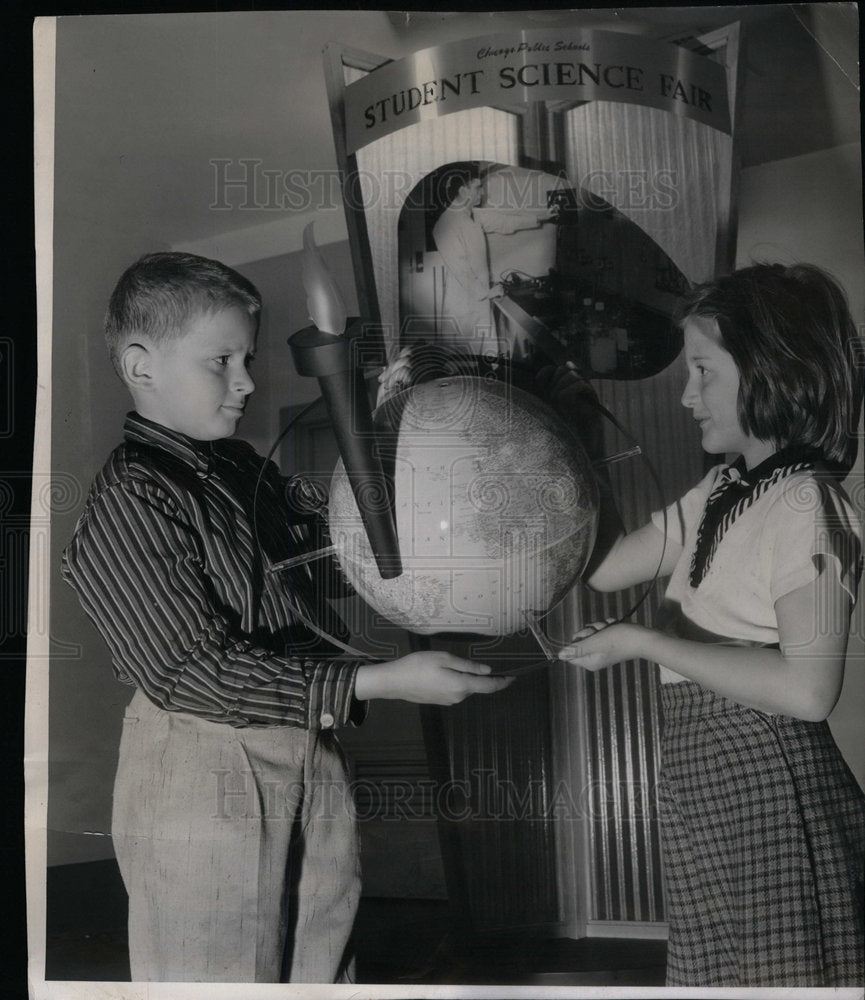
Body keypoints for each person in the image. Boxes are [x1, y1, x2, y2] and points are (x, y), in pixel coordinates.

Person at [61, 251, 512, 984]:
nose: (244, 381)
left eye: (249, 357)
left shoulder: (243, 470)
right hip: (202, 758)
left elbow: (345, 537)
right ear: (142, 366)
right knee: (217, 976)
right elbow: (191, 672)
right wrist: (380, 681)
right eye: (220, 361)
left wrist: (395, 437)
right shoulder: (131, 500)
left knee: (321, 967)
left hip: (307, 741)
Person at [555, 262, 864, 987]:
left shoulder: (804, 505)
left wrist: (641, 642)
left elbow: (808, 690)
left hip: (765, 782)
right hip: (705, 777)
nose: (687, 395)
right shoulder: (721, 490)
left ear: (768, 369)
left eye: (702, 371)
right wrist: (571, 425)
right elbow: (601, 566)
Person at [431, 163, 557, 354]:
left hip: (480, 300)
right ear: (463, 191)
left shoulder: (471, 216)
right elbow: (461, 270)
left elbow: (505, 221)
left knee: (486, 360)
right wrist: (487, 291)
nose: (482, 193)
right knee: (468, 364)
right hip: (464, 307)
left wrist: (542, 216)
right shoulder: (445, 225)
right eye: (477, 187)